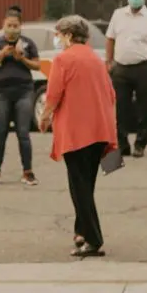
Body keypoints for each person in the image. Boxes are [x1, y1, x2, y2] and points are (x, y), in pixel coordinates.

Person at [39, 16, 117, 257]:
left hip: (76, 132)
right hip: (99, 130)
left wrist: (44, 117)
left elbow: (53, 94)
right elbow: (111, 94)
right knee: (87, 184)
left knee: (79, 187)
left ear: (69, 35)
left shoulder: (63, 59)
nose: (58, 39)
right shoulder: (96, 59)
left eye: (60, 35)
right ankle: (81, 230)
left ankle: (93, 239)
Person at [105, 0, 147, 157]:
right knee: (120, 108)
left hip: (143, 68)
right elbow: (110, 39)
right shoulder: (118, 15)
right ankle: (122, 143)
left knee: (144, 108)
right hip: (121, 68)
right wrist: (109, 62)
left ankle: (140, 143)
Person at [0, 8, 40, 186]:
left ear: (20, 26)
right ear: (3, 25)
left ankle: (28, 171)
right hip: (1, 92)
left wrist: (20, 57)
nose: (12, 28)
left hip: (23, 91)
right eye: (9, 25)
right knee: (0, 132)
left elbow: (37, 65)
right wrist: (3, 54)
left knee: (23, 132)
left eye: (15, 25)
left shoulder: (28, 43)